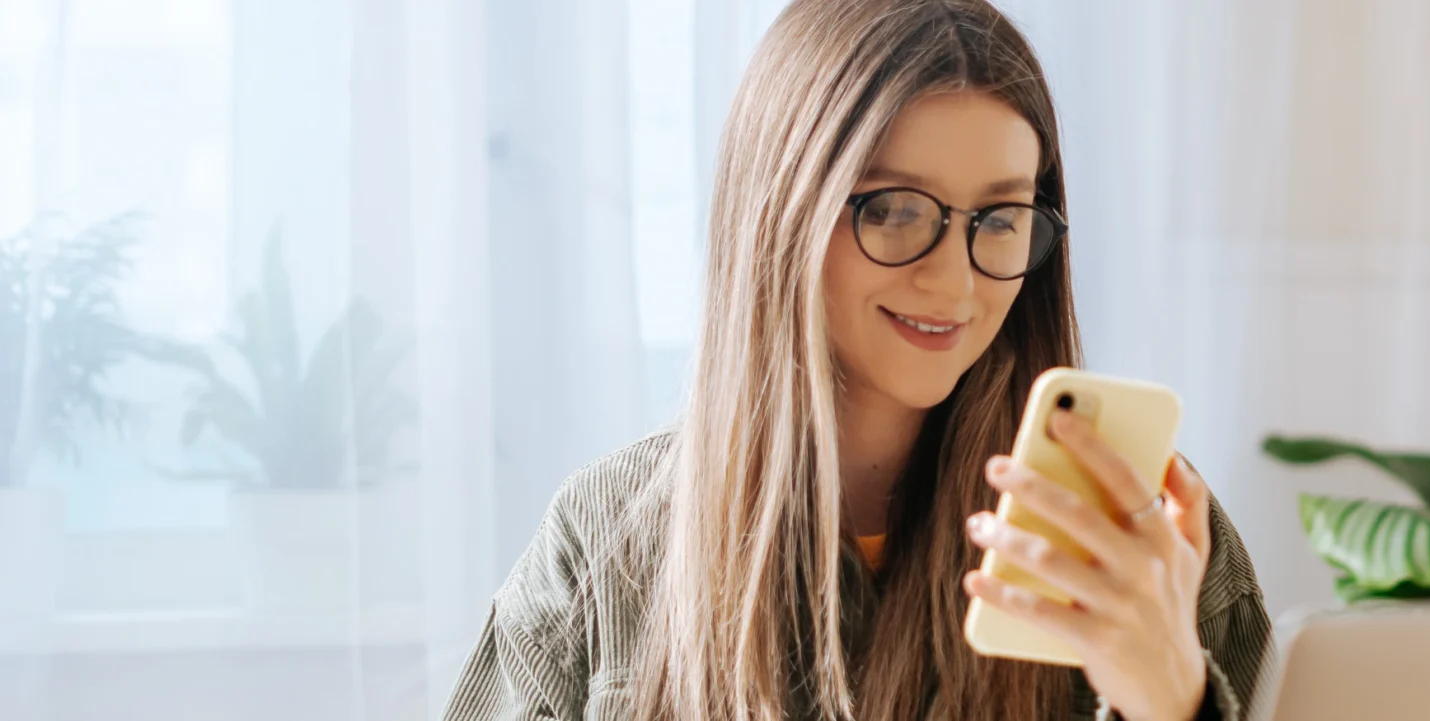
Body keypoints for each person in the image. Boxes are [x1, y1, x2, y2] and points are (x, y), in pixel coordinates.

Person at [441, 1, 1271, 718]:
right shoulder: (605, 542)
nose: (952, 278)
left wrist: (1172, 701)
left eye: (1002, 216)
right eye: (897, 209)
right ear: (783, 214)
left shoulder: (1143, 537)